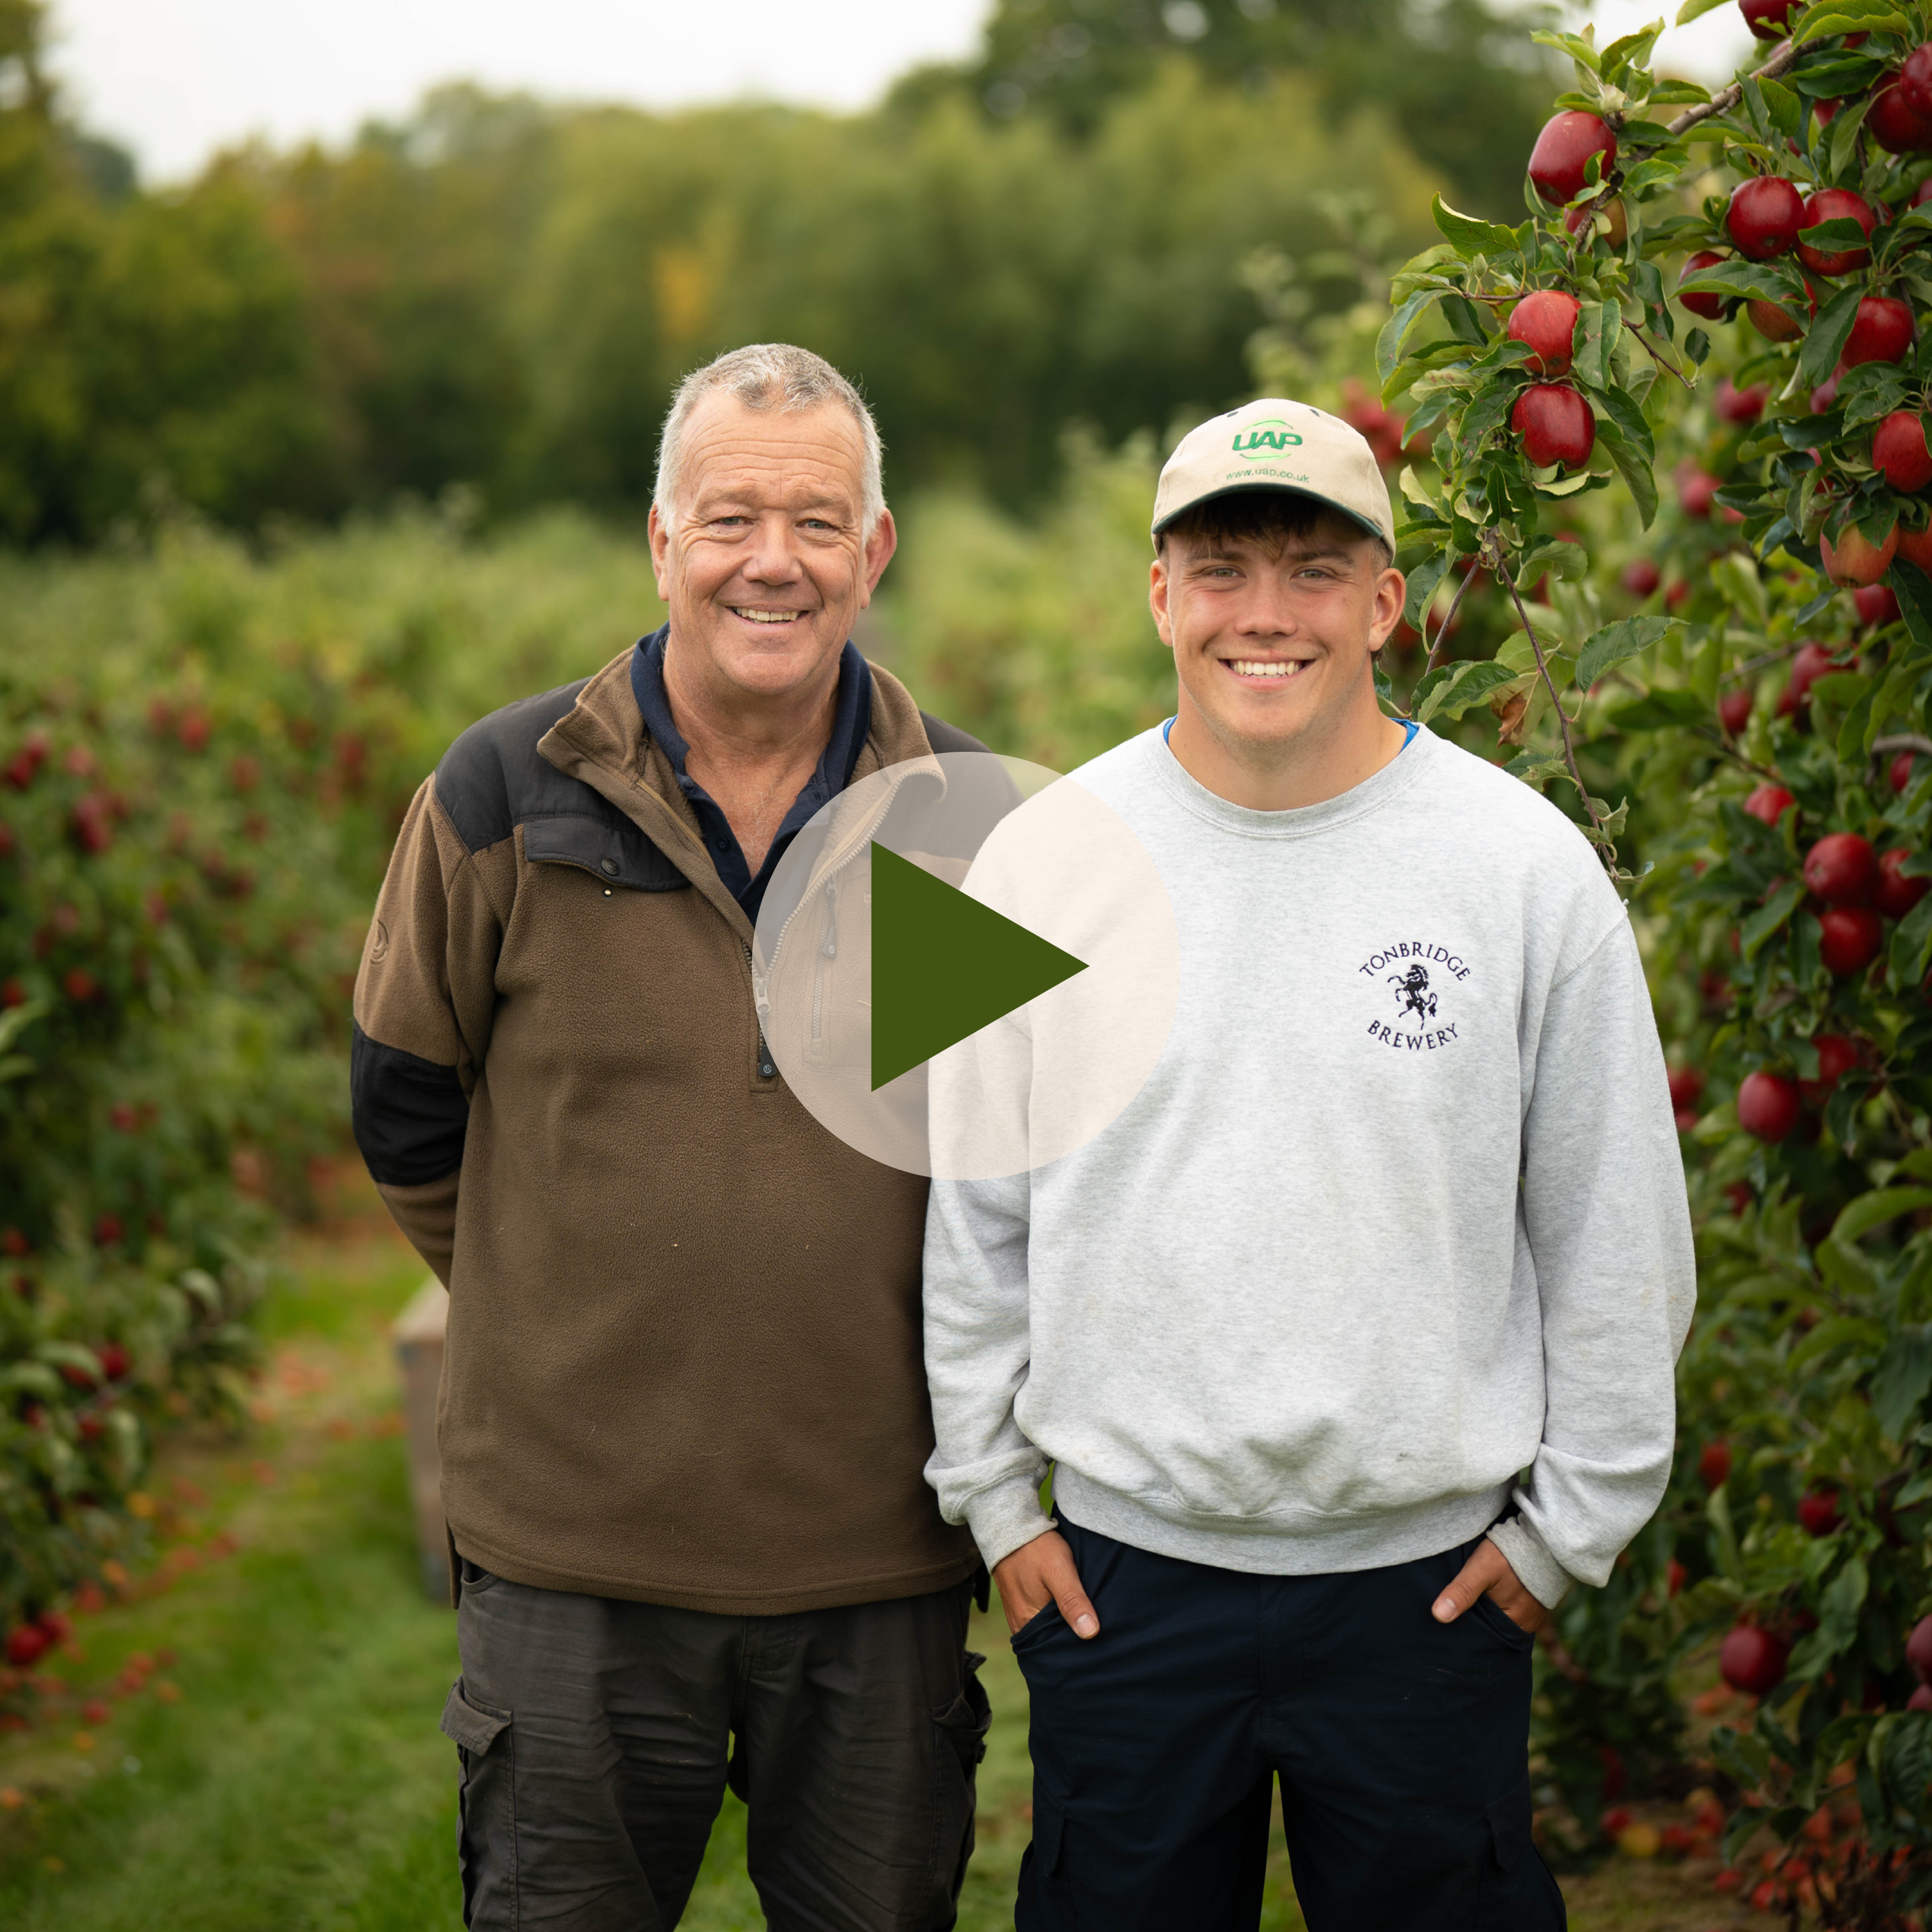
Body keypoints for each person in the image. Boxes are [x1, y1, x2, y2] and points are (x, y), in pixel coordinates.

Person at [922, 397, 1696, 1930]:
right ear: (1159, 596)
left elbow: (1615, 1226)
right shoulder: (1036, 862)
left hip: (1428, 1593)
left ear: (1385, 603)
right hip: (1124, 1584)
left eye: (1313, 569)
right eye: (1220, 571)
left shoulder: (1522, 867)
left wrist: (1568, 1534)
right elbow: (972, 1221)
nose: (1263, 614)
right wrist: (997, 1502)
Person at [352, 343, 994, 1932]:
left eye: (817, 522)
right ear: (661, 541)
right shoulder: (505, 793)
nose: (773, 560)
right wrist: (561, 1296)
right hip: (572, 1558)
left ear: (874, 551)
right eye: (729, 519)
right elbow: (403, 1100)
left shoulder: (965, 821)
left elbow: (1016, 1166)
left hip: (879, 1556)